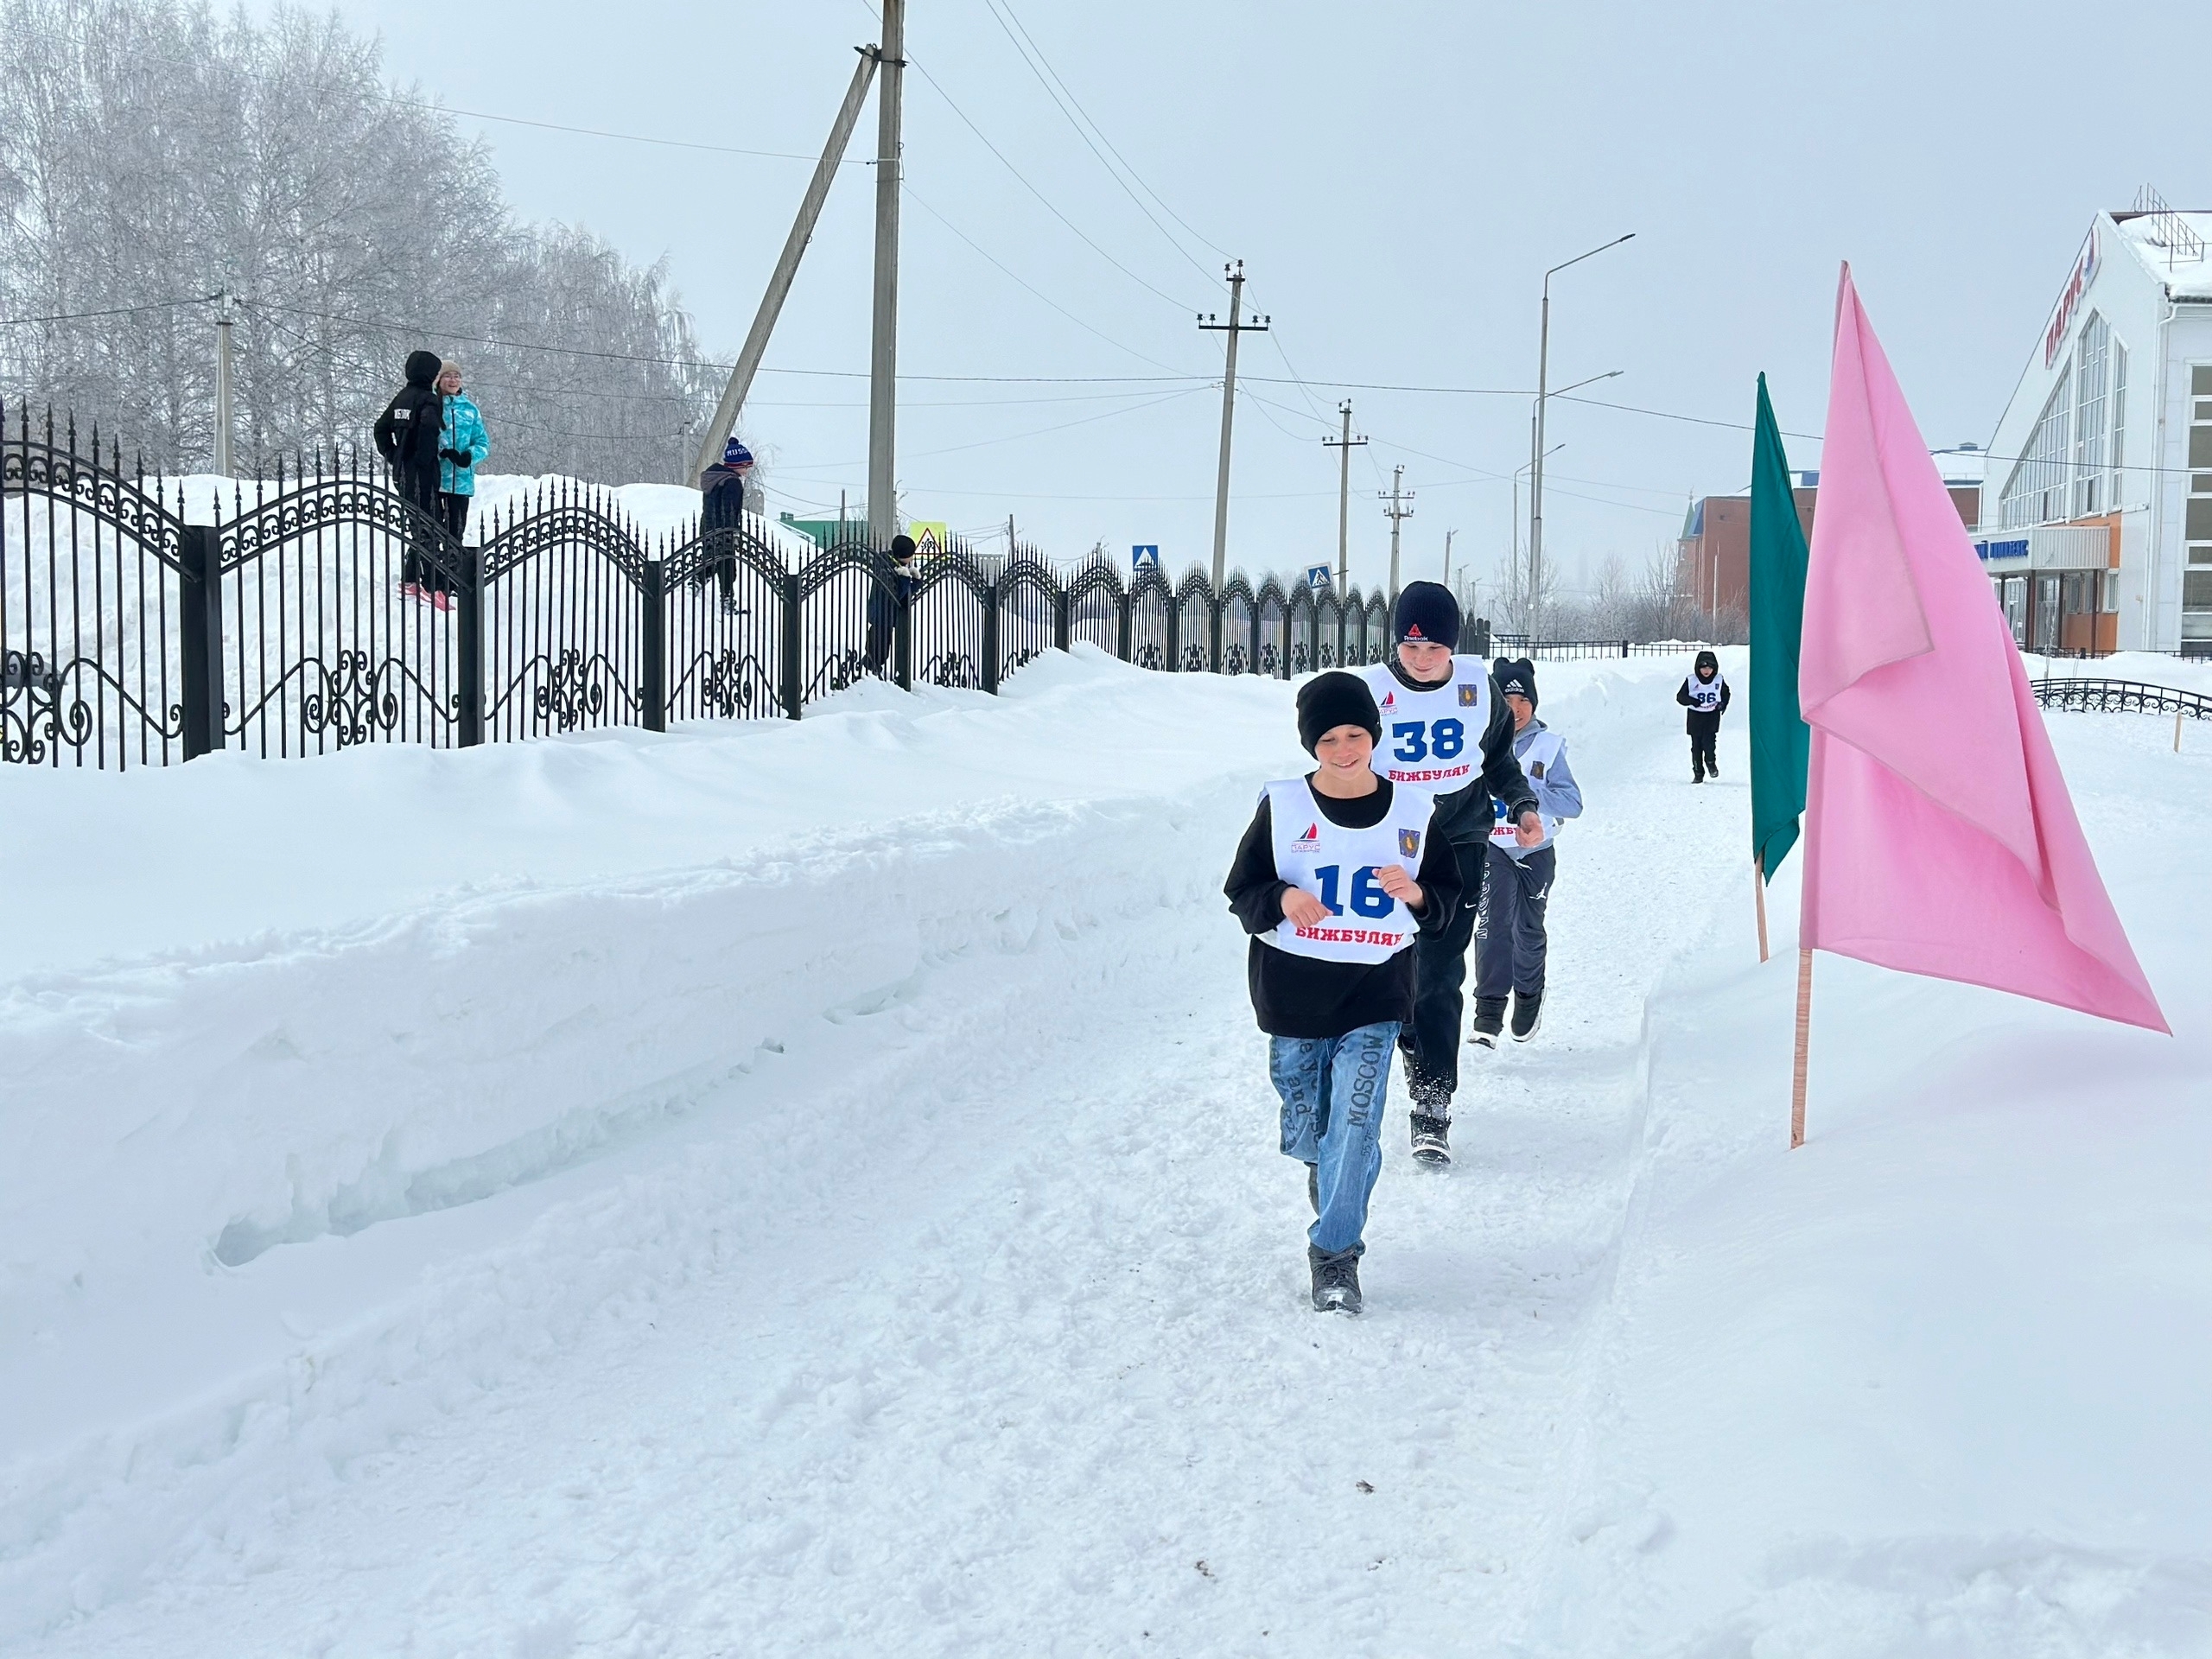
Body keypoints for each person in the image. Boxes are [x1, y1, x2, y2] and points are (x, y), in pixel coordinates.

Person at [1224, 671, 1462, 1314]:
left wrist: (1415, 894)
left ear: (1374, 734)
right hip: (1293, 996)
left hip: (1375, 993)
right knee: (1312, 1132)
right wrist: (1282, 897)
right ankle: (1326, 1169)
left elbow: (1447, 899)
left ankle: (1335, 1254)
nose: (1344, 748)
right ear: (1312, 745)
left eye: (1356, 734)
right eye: (1328, 738)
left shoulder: (1414, 813)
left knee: (1354, 1128)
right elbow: (1241, 892)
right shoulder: (1283, 808)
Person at [1357, 581, 1541, 1166]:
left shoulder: (1475, 688)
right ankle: (1410, 1033)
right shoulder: (1371, 693)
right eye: (1410, 649)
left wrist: (1523, 805)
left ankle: (1432, 1105)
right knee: (1392, 965)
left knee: (1439, 970)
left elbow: (1498, 761)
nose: (1421, 661)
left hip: (1457, 844)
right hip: (1388, 847)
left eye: (1433, 649)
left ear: (1451, 646)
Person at [1471, 658, 1582, 1047]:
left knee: (1527, 928)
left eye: (1523, 699)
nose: (1515, 708)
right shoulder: (1477, 742)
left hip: (1537, 851)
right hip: (1493, 848)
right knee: (1492, 923)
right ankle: (1488, 1011)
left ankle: (1529, 994)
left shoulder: (1548, 748)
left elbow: (1573, 803)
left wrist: (1529, 798)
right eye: (1506, 698)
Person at [372, 350, 446, 605]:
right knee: (431, 527)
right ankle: (431, 586)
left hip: (402, 474)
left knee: (417, 527)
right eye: (436, 372)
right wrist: (423, 460)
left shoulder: (402, 398)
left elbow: (380, 428)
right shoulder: (428, 400)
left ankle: (410, 581)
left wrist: (394, 456)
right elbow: (428, 430)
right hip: (422, 476)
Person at [434, 361, 489, 555]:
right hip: (435, 480)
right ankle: (423, 575)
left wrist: (469, 456)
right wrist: (442, 451)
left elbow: (483, 442)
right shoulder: (432, 405)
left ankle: (450, 578)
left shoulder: (470, 409)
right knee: (430, 533)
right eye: (448, 375)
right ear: (439, 380)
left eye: (456, 376)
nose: (453, 380)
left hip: (462, 483)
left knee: (455, 535)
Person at [697, 437, 755, 612]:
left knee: (712, 561)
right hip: (724, 531)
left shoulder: (713, 479)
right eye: (745, 466)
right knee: (728, 567)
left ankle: (695, 585)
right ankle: (726, 602)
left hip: (708, 527)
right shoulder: (732, 482)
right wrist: (733, 531)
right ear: (736, 465)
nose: (747, 470)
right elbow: (730, 509)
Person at [864, 534, 918, 676]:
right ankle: (868, 673)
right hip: (881, 615)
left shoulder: (896, 566)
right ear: (904, 555)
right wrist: (905, 578)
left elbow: (905, 596)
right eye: (911, 555)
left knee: (882, 650)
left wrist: (916, 582)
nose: (912, 558)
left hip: (888, 616)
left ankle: (872, 672)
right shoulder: (886, 567)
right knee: (877, 650)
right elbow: (896, 595)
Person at [1677, 649, 1731, 783]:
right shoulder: (1691, 680)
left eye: (1710, 668)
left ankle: (1711, 763)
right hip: (1695, 717)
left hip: (1711, 716)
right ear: (1698, 668)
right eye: (1703, 668)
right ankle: (1698, 773)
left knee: (1709, 744)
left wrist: (1722, 705)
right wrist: (1692, 701)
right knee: (1696, 747)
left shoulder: (1719, 680)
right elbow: (1680, 697)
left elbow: (1726, 694)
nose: (1706, 671)